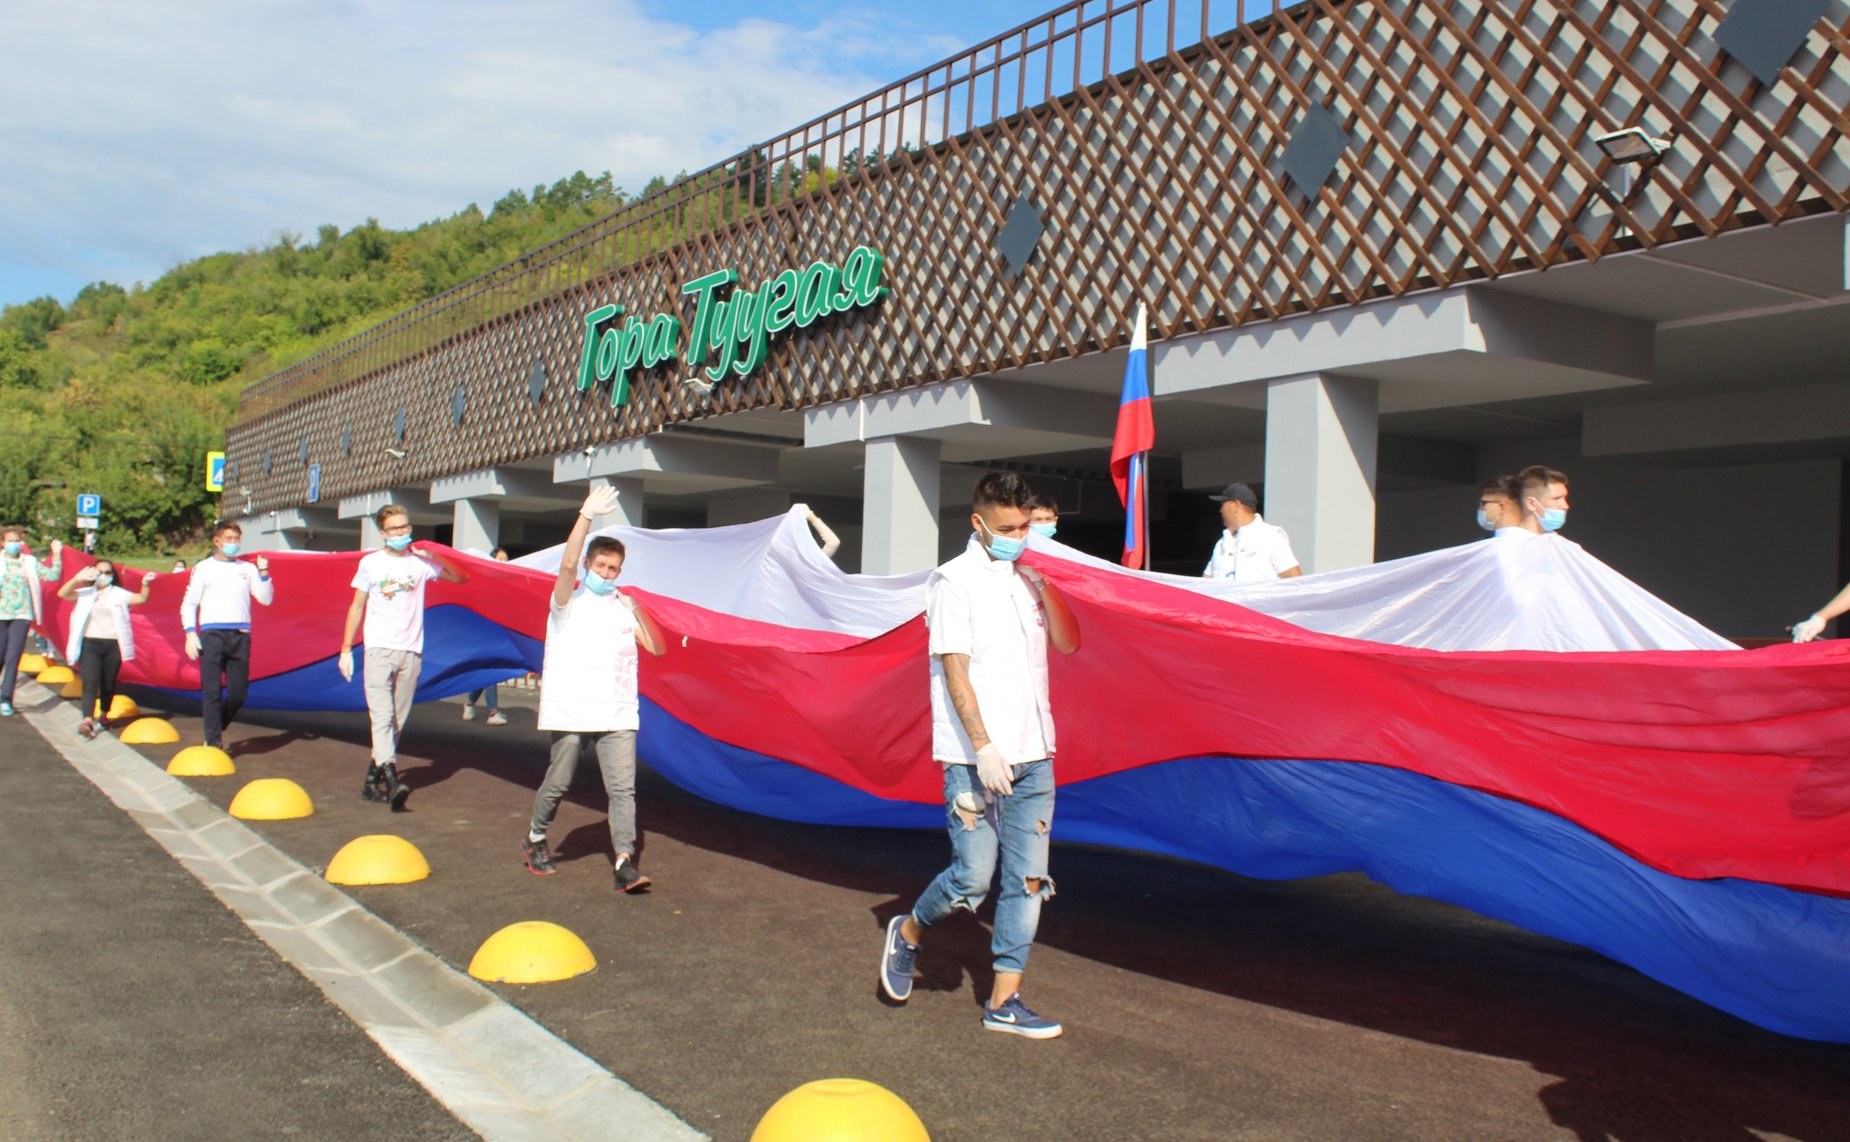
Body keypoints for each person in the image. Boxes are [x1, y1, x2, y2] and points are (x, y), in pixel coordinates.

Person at [879, 472, 1081, 1039]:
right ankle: (911, 931)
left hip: (1035, 751)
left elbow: (1068, 642)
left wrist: (1047, 588)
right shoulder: (954, 581)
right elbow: (954, 668)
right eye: (1008, 528)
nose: (1019, 536)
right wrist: (984, 747)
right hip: (976, 757)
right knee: (972, 878)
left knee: (1029, 880)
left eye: (1025, 526)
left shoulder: (1029, 577)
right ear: (979, 523)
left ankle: (1004, 1002)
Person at [523, 485, 667, 892]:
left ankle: (624, 862)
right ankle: (535, 837)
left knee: (623, 788)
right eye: (601, 565)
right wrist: (585, 515)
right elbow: (566, 566)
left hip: (617, 711)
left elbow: (657, 646)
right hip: (571, 709)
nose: (606, 574)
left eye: (613, 569)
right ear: (589, 564)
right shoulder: (567, 603)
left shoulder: (622, 608)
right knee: (560, 780)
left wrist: (634, 606)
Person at [338, 505, 469, 809]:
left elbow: (460, 578)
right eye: (394, 529)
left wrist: (435, 554)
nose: (401, 533)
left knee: (396, 721)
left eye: (404, 527)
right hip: (378, 649)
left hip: (411, 650)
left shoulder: (420, 565)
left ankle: (372, 781)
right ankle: (393, 781)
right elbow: (356, 606)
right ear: (383, 533)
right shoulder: (371, 564)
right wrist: (346, 649)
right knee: (381, 717)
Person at [181, 520, 272, 750]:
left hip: (240, 635)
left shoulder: (247, 568)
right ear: (217, 541)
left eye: (236, 539)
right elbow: (189, 603)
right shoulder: (204, 568)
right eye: (228, 539)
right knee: (211, 692)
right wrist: (190, 632)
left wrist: (264, 572)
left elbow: (266, 598)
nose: (233, 544)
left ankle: (215, 726)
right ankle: (213, 742)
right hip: (212, 634)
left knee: (238, 694)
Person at [58, 559, 154, 739]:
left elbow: (141, 598)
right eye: (100, 572)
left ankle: (104, 714)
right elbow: (62, 593)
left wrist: (145, 584)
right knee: (90, 682)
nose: (103, 576)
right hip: (90, 643)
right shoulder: (86, 593)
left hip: (113, 644)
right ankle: (87, 719)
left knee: (108, 683)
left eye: (108, 572)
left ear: (113, 575)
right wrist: (77, 578)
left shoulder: (119, 594)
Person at [0, 528, 61, 718]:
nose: (14, 544)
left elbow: (52, 576)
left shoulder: (30, 562)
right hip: (1, 614)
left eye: (17, 541)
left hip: (22, 614)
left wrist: (56, 554)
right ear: (2, 543)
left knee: (13, 657)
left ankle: (6, 698)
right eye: (10, 541)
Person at [1202, 483, 1301, 580]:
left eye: (1223, 504)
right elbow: (1204, 585)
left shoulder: (1270, 537)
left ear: (1236, 505)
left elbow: (1296, 581)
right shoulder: (1221, 544)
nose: (1221, 510)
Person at [464, 547, 513, 725]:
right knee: (490, 669)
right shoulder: (485, 580)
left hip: (497, 631)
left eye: (506, 559)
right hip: (482, 631)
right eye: (500, 559)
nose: (504, 563)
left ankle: (470, 703)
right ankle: (493, 712)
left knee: (486, 671)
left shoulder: (507, 582)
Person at [1516, 465, 1571, 535]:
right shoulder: (1505, 544)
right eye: (1556, 498)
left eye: (1565, 498)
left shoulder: (1568, 545)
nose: (1565, 506)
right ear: (1532, 504)